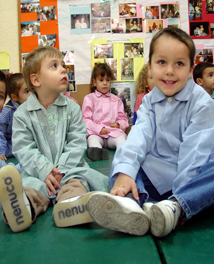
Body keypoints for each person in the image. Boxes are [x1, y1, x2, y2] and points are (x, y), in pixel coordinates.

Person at [86, 27, 214, 238]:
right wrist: (126, 172)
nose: (169, 71)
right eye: (162, 62)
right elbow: (139, 137)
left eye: (179, 64)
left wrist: (181, 193)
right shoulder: (149, 101)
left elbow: (195, 153)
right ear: (151, 67)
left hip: (195, 176)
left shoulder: (202, 103)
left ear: (191, 69)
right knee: (124, 161)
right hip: (158, 175)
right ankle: (130, 206)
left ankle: (175, 208)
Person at [0, 46, 108, 233]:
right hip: (36, 174)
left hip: (69, 171)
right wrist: (44, 169)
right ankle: (24, 208)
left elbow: (77, 141)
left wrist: (61, 170)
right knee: (31, 188)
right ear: (36, 80)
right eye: (54, 66)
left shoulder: (72, 108)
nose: (63, 70)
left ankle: (72, 206)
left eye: (63, 65)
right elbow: (23, 147)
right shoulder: (22, 115)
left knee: (76, 184)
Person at [82, 63, 128, 162]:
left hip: (113, 133)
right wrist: (98, 129)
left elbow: (124, 119)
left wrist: (118, 124)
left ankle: (123, 153)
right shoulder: (89, 99)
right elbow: (85, 120)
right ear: (94, 82)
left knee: (121, 139)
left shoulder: (117, 100)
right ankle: (97, 152)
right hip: (96, 133)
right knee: (92, 140)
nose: (105, 83)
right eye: (101, 80)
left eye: (108, 80)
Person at [0, 73, 31, 170]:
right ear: (14, 97)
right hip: (10, 152)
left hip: (25, 149)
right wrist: (1, 152)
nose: (31, 94)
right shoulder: (7, 112)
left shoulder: (30, 108)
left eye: (31, 90)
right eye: (26, 91)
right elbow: (1, 133)